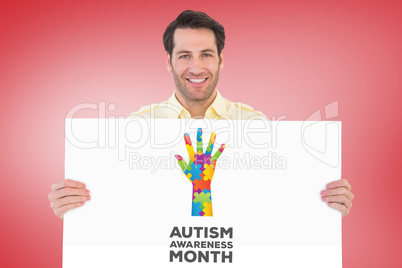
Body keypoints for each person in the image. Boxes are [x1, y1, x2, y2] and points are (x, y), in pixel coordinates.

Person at [48, 10, 354, 219]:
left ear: (221, 60)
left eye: (206, 54)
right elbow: (119, 206)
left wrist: (325, 206)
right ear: (168, 62)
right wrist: (73, 208)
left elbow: (276, 205)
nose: (196, 68)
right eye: (184, 56)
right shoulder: (137, 128)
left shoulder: (256, 126)